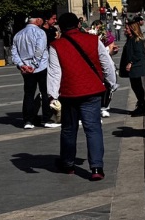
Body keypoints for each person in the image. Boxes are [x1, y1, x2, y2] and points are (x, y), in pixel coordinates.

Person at [47, 12, 117, 181]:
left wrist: (52, 95)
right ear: (78, 25)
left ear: (60, 27)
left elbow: (55, 72)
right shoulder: (93, 40)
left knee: (69, 129)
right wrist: (112, 83)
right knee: (93, 128)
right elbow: (106, 63)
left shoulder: (56, 45)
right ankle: (96, 168)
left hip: (69, 93)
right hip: (92, 91)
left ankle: (68, 164)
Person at [11, 12, 53, 129]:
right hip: (41, 66)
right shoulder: (40, 32)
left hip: (26, 68)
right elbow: (39, 50)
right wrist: (34, 64)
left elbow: (14, 52)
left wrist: (22, 65)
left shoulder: (18, 34)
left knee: (29, 94)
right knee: (45, 92)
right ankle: (47, 118)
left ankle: (28, 121)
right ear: (38, 20)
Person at [120, 15, 145, 116]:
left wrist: (130, 62)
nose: (125, 30)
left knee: (137, 87)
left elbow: (138, 53)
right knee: (136, 86)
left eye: (127, 28)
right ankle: (141, 106)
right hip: (135, 67)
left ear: (132, 29)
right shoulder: (131, 39)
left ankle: (142, 107)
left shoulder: (136, 39)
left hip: (136, 67)